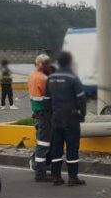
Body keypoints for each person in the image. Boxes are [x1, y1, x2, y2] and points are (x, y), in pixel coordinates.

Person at [46, 52, 87, 186]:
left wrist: (51, 114)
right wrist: (82, 115)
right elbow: (81, 99)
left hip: (56, 118)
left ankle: (56, 176)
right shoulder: (72, 78)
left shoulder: (50, 78)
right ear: (69, 62)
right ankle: (73, 177)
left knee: (56, 148)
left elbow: (47, 100)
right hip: (71, 118)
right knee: (72, 148)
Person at [27, 55, 52, 181]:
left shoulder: (32, 76)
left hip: (38, 112)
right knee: (43, 142)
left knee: (42, 141)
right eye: (46, 63)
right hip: (45, 113)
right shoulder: (43, 78)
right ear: (40, 64)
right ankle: (40, 172)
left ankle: (40, 166)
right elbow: (48, 97)